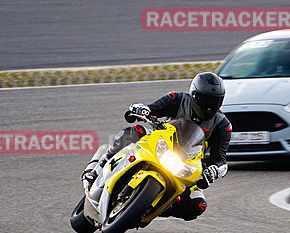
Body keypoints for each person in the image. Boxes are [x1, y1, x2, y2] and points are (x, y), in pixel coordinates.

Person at [81, 72, 231, 221]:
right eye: (205, 100)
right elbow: (152, 108)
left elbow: (220, 160)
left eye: (214, 101)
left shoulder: (222, 125)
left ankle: (153, 207)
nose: (209, 107)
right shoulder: (178, 99)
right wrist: (142, 110)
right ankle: (97, 170)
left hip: (187, 166)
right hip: (158, 144)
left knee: (198, 206)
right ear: (194, 95)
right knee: (134, 132)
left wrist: (215, 170)